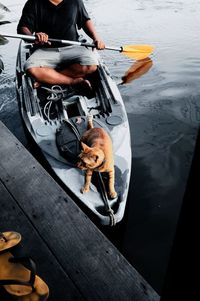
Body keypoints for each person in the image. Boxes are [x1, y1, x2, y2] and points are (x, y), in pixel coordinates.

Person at [17, 0, 105, 88]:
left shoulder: (76, 1)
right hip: (45, 50)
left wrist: (96, 38)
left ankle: (47, 79)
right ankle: (72, 81)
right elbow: (23, 28)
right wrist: (34, 37)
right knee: (31, 69)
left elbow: (85, 20)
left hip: (73, 47)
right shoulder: (33, 3)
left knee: (92, 65)